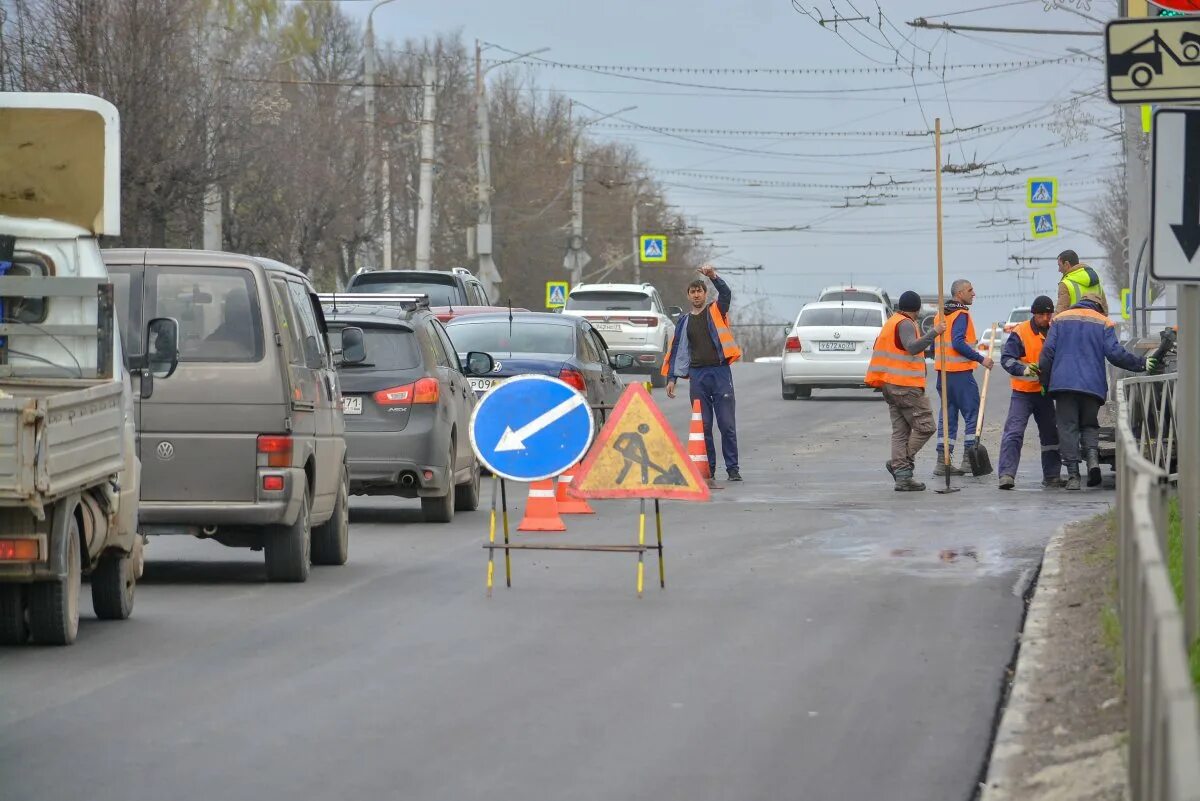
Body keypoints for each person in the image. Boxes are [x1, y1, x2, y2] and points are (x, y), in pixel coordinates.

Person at [1038, 292, 1158, 491]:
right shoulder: (1104, 322)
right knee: (1089, 425)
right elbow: (1115, 354)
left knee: (1068, 428)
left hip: (1064, 385)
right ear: (1100, 306)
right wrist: (1142, 363)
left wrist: (1045, 381)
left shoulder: (1059, 320)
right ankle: (1093, 462)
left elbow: (1047, 354)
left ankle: (1074, 476)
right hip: (1091, 386)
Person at [663, 265, 743, 482]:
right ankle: (709, 469)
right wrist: (672, 379)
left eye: (700, 291)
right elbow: (677, 350)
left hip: (720, 373)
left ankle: (733, 469)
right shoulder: (684, 321)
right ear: (688, 296)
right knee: (704, 425)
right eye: (693, 292)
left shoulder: (716, 310)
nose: (697, 295)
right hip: (698, 377)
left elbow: (726, 294)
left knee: (726, 424)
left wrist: (713, 277)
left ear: (705, 294)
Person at [865, 291, 946, 491]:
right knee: (926, 427)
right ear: (917, 309)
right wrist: (935, 331)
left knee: (901, 432)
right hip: (905, 386)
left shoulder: (892, 321)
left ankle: (903, 478)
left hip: (890, 385)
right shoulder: (905, 324)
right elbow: (912, 347)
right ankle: (898, 464)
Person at [997, 296, 1062, 490]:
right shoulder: (1021, 332)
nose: (1045, 318)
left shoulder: (1055, 331)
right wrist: (1023, 369)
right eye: (1042, 314)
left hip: (1045, 393)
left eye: (1048, 314)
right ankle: (1006, 475)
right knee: (1014, 433)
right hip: (1023, 392)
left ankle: (1052, 476)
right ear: (1034, 314)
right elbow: (1007, 359)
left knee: (1050, 436)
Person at [931, 279, 994, 476]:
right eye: (970, 290)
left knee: (947, 417)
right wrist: (980, 359)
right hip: (959, 375)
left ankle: (943, 461)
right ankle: (969, 460)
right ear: (959, 294)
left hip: (944, 375)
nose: (973, 293)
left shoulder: (940, 315)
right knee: (972, 414)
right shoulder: (961, 314)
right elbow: (957, 343)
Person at [1056, 249, 1107, 315]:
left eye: (1059, 265)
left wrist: (1051, 322)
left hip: (1074, 324)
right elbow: (1104, 310)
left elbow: (1060, 312)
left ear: (1066, 264)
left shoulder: (1065, 284)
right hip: (1095, 324)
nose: (1059, 270)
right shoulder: (1096, 281)